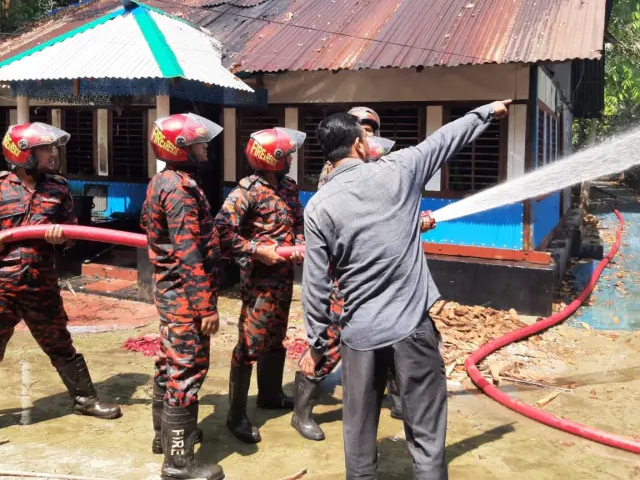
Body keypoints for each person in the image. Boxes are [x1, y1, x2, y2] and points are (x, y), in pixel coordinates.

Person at [301, 100, 510, 479]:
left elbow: (315, 286)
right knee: (427, 437)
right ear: (360, 145)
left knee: (359, 437)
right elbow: (444, 140)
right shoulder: (399, 169)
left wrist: (317, 343)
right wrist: (486, 113)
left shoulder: (318, 207)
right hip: (411, 328)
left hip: (359, 336)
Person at [0, 122, 121, 448]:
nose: (52, 154)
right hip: (1, 287)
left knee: (60, 345)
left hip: (42, 285)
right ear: (24, 154)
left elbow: (72, 235)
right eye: (44, 149)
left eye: (51, 149)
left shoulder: (58, 189)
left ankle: (85, 399)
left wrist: (62, 237)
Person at [292, 127, 437, 441]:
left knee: (391, 343)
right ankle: (301, 412)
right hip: (342, 281)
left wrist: (414, 221)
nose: (370, 139)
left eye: (372, 131)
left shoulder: (376, 164)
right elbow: (353, 219)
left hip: (378, 282)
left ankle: (398, 401)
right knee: (328, 345)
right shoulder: (333, 176)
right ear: (353, 141)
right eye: (365, 132)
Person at [141, 113, 225, 480]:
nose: (205, 146)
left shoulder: (165, 181)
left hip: (171, 293)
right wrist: (205, 307)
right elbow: (188, 252)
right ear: (180, 147)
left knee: (168, 364)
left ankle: (165, 437)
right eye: (198, 141)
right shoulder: (179, 190)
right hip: (185, 298)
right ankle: (178, 463)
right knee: (186, 372)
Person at [215, 127, 306, 444]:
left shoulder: (289, 188)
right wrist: (255, 250)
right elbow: (222, 232)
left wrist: (300, 243)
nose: (292, 158)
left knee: (276, 336)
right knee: (250, 343)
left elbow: (297, 223)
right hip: (258, 281)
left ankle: (270, 394)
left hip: (284, 277)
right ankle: (236, 414)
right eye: (288, 153)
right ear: (273, 157)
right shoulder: (246, 191)